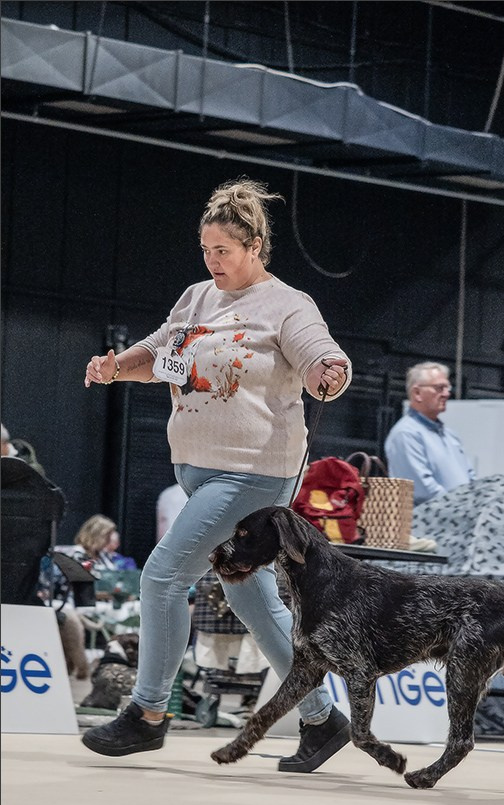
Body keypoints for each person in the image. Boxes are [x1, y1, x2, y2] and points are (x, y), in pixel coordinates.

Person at [80, 175, 353, 771]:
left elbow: (317, 351)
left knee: (161, 576)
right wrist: (113, 366)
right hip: (201, 474)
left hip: (254, 476)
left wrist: (328, 372)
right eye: (206, 250)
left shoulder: (288, 304)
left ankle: (149, 713)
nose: (212, 261)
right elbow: (159, 354)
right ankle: (322, 720)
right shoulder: (197, 298)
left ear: (255, 246)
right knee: (252, 597)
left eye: (223, 251)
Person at [384, 361, 476, 506]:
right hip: (427, 525)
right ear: (417, 393)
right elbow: (422, 489)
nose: (446, 394)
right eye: (439, 388)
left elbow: (470, 477)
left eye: (447, 387)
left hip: (458, 521)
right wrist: (461, 508)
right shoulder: (406, 434)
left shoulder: (451, 436)